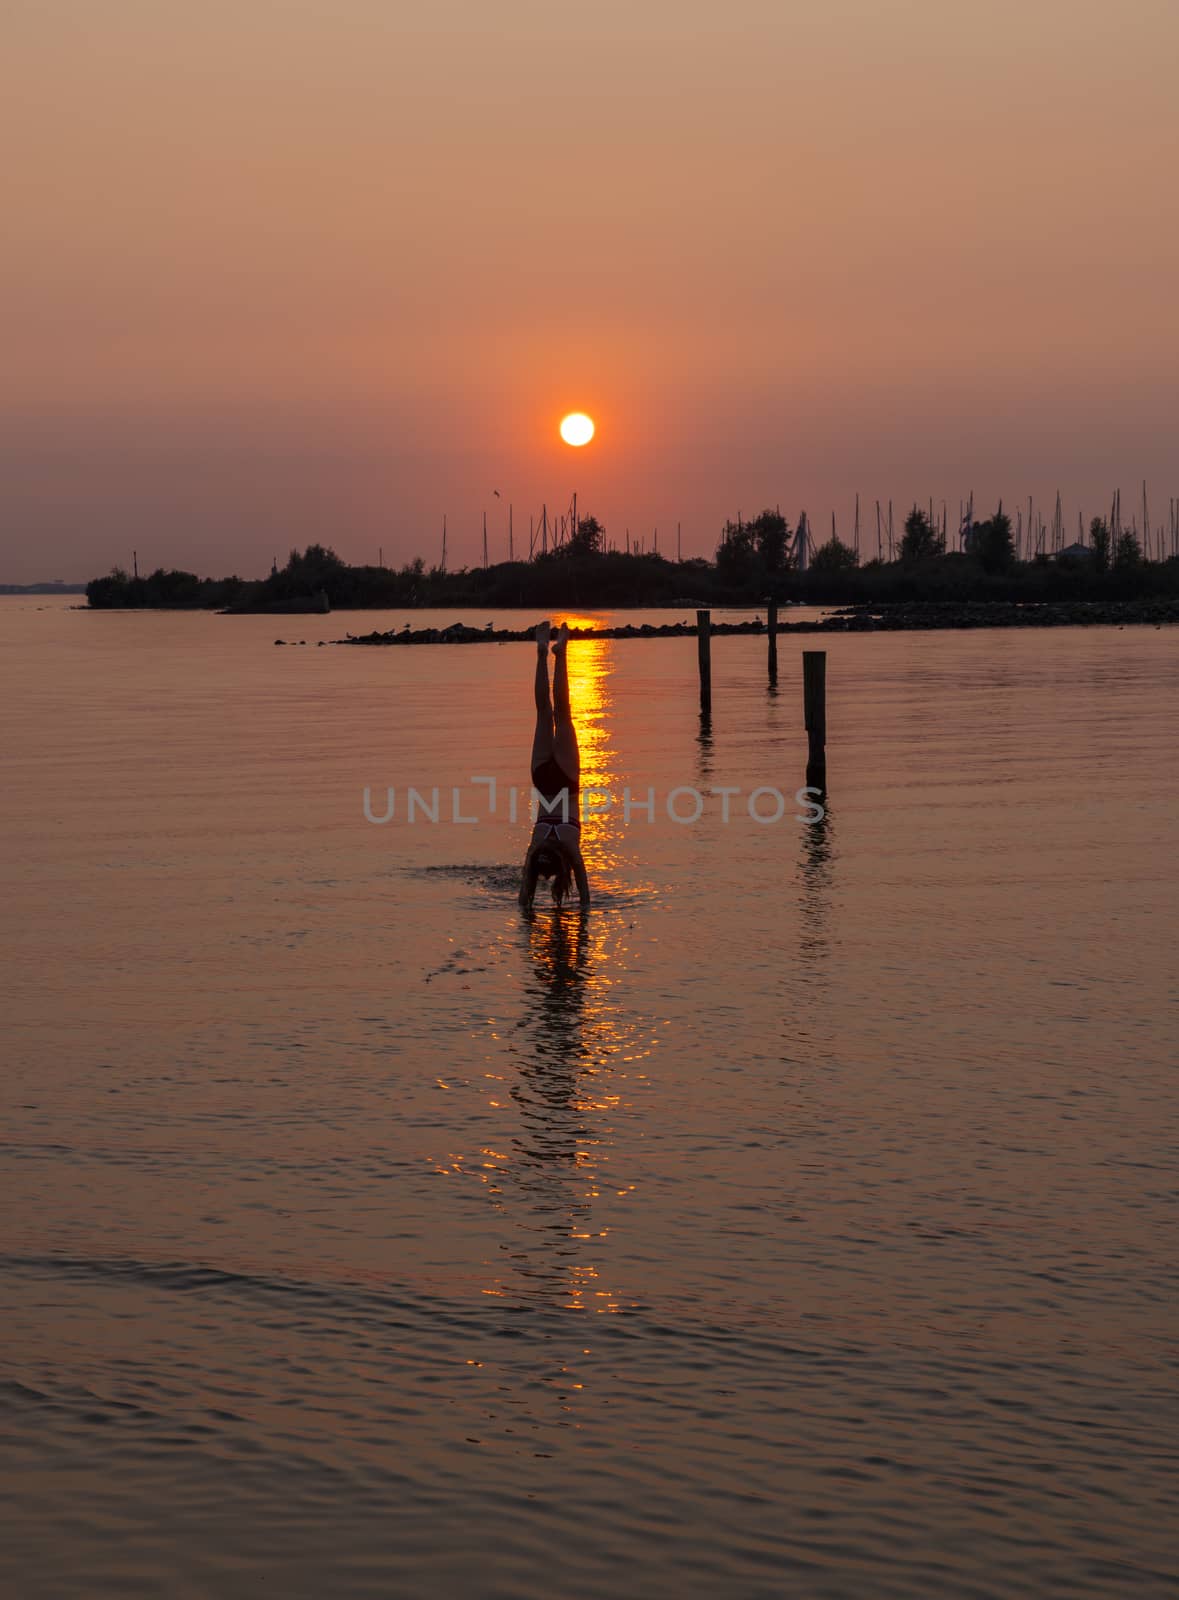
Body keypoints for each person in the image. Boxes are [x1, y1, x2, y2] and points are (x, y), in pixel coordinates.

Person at [519, 621, 590, 910]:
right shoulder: (535, 848)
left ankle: (560, 653)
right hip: (541, 778)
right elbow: (523, 899)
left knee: (562, 712)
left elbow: (586, 899)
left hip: (565, 779)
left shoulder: (571, 849)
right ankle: (540, 654)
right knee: (543, 711)